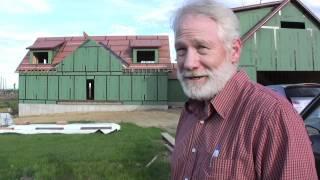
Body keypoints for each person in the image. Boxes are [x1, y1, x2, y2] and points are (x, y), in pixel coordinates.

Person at [170, 0, 318, 179]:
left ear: (234, 50)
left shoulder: (273, 117)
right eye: (181, 50)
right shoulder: (189, 114)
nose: (188, 63)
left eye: (202, 48)